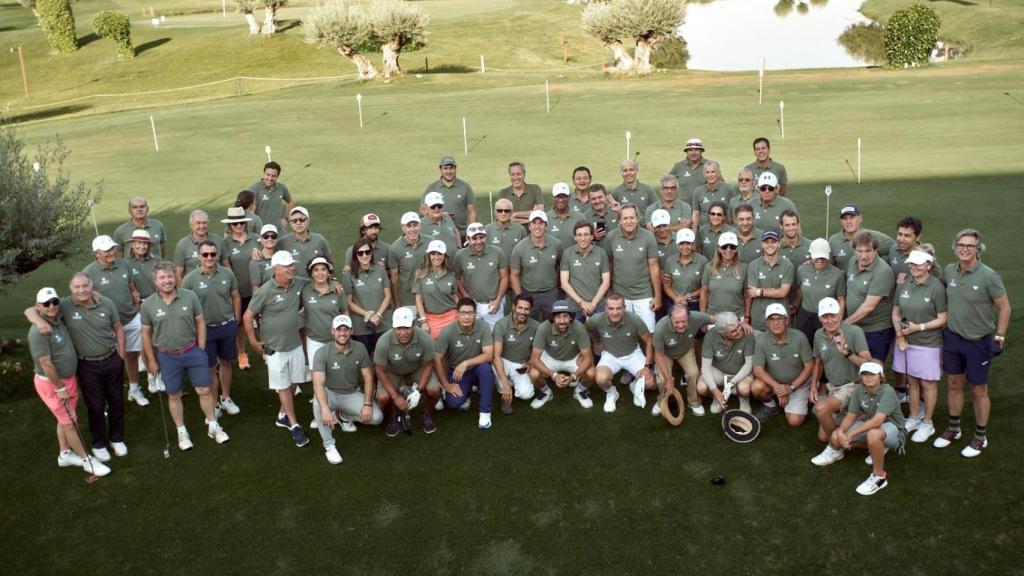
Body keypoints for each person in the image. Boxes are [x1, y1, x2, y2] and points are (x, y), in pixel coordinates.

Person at [25, 273, 128, 461]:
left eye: (85, 286)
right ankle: (99, 443)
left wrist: (120, 355)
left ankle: (116, 438)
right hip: (86, 364)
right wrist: (39, 321)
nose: (81, 290)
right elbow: (31, 310)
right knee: (95, 405)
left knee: (116, 401)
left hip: (111, 358)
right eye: (76, 287)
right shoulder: (63, 305)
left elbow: (118, 327)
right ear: (70, 289)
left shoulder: (105, 302)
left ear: (91, 286)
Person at [935, 229, 1011, 458]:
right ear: (955, 247)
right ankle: (954, 428)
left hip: (979, 342)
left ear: (978, 249)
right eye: (961, 245)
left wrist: (1000, 336)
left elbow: (1004, 307)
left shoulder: (989, 276)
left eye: (970, 245)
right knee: (954, 384)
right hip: (953, 338)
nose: (965, 249)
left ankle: (980, 436)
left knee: (979, 389)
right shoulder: (949, 270)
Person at [141, 261, 229, 450]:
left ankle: (213, 425)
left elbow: (200, 321)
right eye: (162, 277)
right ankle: (182, 431)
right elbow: (146, 333)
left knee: (204, 390)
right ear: (155, 281)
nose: (167, 281)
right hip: (167, 356)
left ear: (176, 278)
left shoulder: (189, 297)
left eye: (170, 276)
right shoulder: (148, 304)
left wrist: (202, 347)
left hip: (192, 351)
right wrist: (151, 360)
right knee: (174, 394)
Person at [28, 287, 111, 477]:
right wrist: (59, 388)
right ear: (38, 306)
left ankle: (65, 454)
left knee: (66, 419)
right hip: (53, 384)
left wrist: (94, 293)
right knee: (70, 423)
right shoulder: (38, 331)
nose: (52, 306)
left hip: (68, 380)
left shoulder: (57, 318)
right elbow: (46, 364)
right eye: (46, 304)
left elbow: (77, 295)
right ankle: (87, 461)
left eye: (54, 302)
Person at [243, 251, 311, 448]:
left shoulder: (299, 282)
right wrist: (254, 342)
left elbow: (318, 280)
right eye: (285, 266)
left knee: (294, 382)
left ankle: (283, 414)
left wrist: (335, 282)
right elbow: (248, 317)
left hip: (295, 344)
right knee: (283, 385)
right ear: (275, 270)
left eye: (291, 265)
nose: (290, 269)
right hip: (275, 348)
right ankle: (294, 424)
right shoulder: (264, 291)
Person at [815, 361, 906, 496]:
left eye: (872, 374)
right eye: (865, 374)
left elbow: (877, 421)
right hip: (873, 427)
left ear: (881, 376)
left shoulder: (888, 391)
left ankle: (879, 477)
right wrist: (840, 432)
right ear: (861, 376)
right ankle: (839, 451)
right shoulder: (859, 390)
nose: (868, 377)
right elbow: (851, 415)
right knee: (834, 436)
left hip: (894, 431)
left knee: (873, 434)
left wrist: (851, 434)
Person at [83, 235, 149, 408]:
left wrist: (136, 302)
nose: (111, 253)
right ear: (97, 253)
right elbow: (81, 298)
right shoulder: (88, 273)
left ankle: (134, 389)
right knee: (109, 363)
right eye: (106, 251)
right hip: (107, 325)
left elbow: (131, 286)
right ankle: (105, 399)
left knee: (133, 355)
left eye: (112, 249)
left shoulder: (124, 264)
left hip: (130, 317)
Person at [311, 314, 383, 465]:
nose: (342, 333)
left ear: (351, 331)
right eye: (339, 329)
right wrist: (325, 409)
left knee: (376, 418)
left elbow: (368, 378)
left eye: (346, 329)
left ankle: (342, 415)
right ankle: (329, 445)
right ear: (332, 331)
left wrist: (368, 404)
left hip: (351, 393)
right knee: (318, 404)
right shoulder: (322, 352)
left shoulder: (360, 348)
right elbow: (318, 383)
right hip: (330, 393)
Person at [181, 240, 242, 417]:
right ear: (199, 256)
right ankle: (214, 403)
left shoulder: (227, 274)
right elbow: (184, 303)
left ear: (217, 255)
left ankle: (226, 398)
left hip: (226, 326)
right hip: (204, 331)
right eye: (205, 254)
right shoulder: (190, 279)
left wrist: (236, 320)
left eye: (213, 254)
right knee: (209, 367)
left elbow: (235, 296)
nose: (209, 258)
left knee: (226, 363)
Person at [892, 250, 947, 443]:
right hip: (907, 341)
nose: (914, 267)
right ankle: (914, 418)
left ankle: (927, 423)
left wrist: (918, 327)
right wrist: (900, 335)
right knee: (911, 381)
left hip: (928, 343)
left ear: (929, 265)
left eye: (918, 264)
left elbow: (943, 318)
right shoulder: (905, 282)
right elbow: (896, 312)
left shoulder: (936, 287)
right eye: (911, 264)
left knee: (928, 383)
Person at [809, 297, 872, 458]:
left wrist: (846, 352)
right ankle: (851, 439)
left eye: (833, 316)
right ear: (820, 318)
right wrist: (813, 386)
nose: (830, 321)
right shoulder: (818, 335)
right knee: (822, 436)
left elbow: (867, 363)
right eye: (825, 317)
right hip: (834, 388)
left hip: (854, 385)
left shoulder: (854, 331)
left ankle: (835, 449)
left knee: (820, 409)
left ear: (840, 315)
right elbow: (818, 363)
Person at [374, 308, 441, 435]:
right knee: (382, 398)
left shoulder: (425, 337)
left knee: (435, 390)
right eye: (399, 328)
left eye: (406, 328)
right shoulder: (383, 341)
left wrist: (418, 391)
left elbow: (428, 365)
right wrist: (395, 397)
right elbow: (380, 370)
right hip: (392, 370)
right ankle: (393, 415)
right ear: (393, 327)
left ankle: (426, 413)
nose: (403, 332)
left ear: (413, 325)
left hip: (417, 367)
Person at [435, 298, 497, 429]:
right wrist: (446, 385)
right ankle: (467, 391)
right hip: (457, 373)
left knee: (486, 369)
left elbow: (488, 355)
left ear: (475, 314)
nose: (467, 317)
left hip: (476, 370)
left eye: (470, 313)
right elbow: (437, 358)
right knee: (453, 403)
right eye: (463, 313)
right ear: (457, 314)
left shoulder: (484, 327)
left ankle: (485, 412)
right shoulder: (447, 331)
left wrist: (466, 363)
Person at [589, 294, 655, 413]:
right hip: (610, 356)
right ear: (605, 308)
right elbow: (586, 332)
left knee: (650, 383)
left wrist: (648, 366)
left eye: (618, 308)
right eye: (611, 308)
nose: (615, 312)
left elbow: (649, 340)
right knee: (601, 378)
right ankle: (611, 393)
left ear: (624, 308)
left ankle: (635, 385)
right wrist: (596, 341)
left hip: (633, 354)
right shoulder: (596, 319)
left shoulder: (635, 319)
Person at [750, 304, 814, 425]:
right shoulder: (761, 340)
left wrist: (790, 388)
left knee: (794, 422)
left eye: (779, 318)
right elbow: (758, 370)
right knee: (756, 387)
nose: (776, 323)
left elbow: (809, 366)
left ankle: (795, 400)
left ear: (787, 320)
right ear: (767, 323)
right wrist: (778, 389)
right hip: (774, 384)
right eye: (771, 319)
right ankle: (771, 405)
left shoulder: (800, 337)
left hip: (797, 384)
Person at [529, 300, 596, 409]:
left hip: (573, 357)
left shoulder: (578, 327)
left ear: (571, 317)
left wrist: (573, 376)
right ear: (552, 318)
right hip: (550, 357)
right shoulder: (543, 327)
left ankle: (579, 391)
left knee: (591, 373)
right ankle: (546, 392)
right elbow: (535, 359)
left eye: (565, 316)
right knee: (534, 374)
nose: (562, 321)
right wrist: (554, 375)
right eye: (558, 317)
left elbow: (588, 358)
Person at [607, 204, 661, 332]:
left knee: (648, 333)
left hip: (644, 295)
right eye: (625, 218)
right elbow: (609, 265)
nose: (629, 221)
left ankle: (648, 353)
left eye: (632, 218)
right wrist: (609, 292)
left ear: (638, 219)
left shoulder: (648, 237)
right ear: (619, 220)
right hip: (620, 295)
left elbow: (654, 267)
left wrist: (657, 296)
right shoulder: (611, 237)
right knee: (622, 333)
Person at [300, 257, 347, 403]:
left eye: (323, 269)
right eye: (316, 270)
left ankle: (337, 405)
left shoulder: (337, 289)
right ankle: (319, 405)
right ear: (311, 273)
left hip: (336, 340)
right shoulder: (305, 290)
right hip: (314, 339)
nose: (320, 273)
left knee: (336, 372)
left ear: (329, 272)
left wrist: (344, 335)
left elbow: (344, 312)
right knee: (318, 374)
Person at [844, 231, 896, 362]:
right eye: (859, 251)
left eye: (868, 251)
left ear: (876, 250)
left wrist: (844, 324)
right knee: (855, 368)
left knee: (873, 369)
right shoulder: (852, 262)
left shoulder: (882, 271)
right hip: (856, 327)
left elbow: (869, 306)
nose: (863, 256)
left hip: (876, 331)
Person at [654, 304, 713, 415]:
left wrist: (737, 322)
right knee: (662, 380)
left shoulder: (696, 317)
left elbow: (714, 319)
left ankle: (693, 402)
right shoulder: (660, 328)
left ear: (689, 317)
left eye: (683, 321)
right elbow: (659, 354)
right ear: (670, 318)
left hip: (685, 350)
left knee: (693, 373)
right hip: (665, 354)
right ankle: (661, 402)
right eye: (676, 322)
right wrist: (668, 378)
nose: (680, 325)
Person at [696, 311, 754, 414]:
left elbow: (749, 364)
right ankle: (718, 394)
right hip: (719, 370)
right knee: (701, 388)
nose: (739, 331)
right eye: (733, 331)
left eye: (739, 326)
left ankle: (743, 398)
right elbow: (705, 367)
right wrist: (714, 390)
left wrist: (733, 382)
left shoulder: (747, 334)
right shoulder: (711, 336)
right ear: (723, 333)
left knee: (744, 389)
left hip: (741, 371)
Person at [343, 237, 392, 358]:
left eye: (367, 252)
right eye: (360, 253)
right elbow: (348, 302)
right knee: (365, 358)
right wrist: (368, 315)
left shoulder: (380, 270)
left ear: (371, 253)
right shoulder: (348, 274)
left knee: (382, 356)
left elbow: (388, 295)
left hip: (383, 322)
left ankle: (380, 377)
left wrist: (378, 315)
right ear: (355, 255)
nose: (364, 255)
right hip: (361, 325)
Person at [510, 210, 563, 320]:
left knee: (553, 325)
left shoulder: (556, 244)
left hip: (550, 294)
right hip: (528, 293)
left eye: (541, 223)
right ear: (529, 226)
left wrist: (558, 286)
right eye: (534, 223)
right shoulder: (520, 248)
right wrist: (520, 297)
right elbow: (514, 275)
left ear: (546, 226)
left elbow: (561, 267)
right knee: (527, 325)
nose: (537, 226)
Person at [223, 207, 259, 370]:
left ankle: (267, 351)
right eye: (235, 223)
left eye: (241, 222)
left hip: (259, 290)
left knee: (263, 321)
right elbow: (225, 266)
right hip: (239, 292)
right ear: (230, 226)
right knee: (240, 324)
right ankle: (242, 354)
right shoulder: (226, 243)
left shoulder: (257, 239)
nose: (238, 225)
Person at [492, 294, 541, 413]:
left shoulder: (536, 326)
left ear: (530, 310)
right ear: (513, 307)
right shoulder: (501, 325)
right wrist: (505, 382)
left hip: (521, 365)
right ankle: (505, 394)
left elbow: (538, 351)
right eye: (520, 308)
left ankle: (513, 383)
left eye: (526, 309)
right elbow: (496, 356)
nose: (523, 312)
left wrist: (530, 363)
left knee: (526, 394)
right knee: (498, 372)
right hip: (503, 361)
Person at [454, 222, 508, 327]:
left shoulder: (497, 252)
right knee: (473, 336)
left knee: (495, 336)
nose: (478, 241)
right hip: (473, 305)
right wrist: (466, 296)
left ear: (486, 237)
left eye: (481, 237)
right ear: (468, 239)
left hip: (493, 303)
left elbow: (504, 277)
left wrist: (498, 300)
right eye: (474, 238)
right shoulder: (460, 256)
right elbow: (457, 279)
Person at [794, 238, 846, 345]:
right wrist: (795, 305)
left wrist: (838, 320)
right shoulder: (802, 269)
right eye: (817, 257)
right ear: (811, 255)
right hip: (805, 315)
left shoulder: (838, 274)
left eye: (823, 257)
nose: (820, 260)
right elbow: (800, 289)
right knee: (802, 344)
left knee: (824, 346)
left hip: (827, 317)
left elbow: (841, 299)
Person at [745, 230, 795, 333]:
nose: (770, 245)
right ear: (762, 244)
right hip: (759, 320)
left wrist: (760, 291)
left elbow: (783, 292)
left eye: (773, 242)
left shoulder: (787, 265)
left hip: (781, 320)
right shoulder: (753, 265)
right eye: (766, 242)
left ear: (779, 243)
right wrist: (775, 290)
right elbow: (752, 292)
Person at [560, 221, 611, 320]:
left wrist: (593, 304)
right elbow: (564, 283)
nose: (582, 238)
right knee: (575, 335)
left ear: (592, 236)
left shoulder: (601, 253)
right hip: (574, 306)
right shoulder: (567, 254)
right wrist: (582, 303)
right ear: (575, 237)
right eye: (579, 235)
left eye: (586, 234)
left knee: (599, 335)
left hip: (598, 305)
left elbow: (606, 282)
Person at [414, 240, 459, 339]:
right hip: (431, 319)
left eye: (439, 254)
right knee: (436, 352)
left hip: (452, 317)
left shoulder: (451, 274)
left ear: (444, 255)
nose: (436, 257)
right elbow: (418, 300)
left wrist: (460, 312)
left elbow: (454, 296)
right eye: (433, 254)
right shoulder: (420, 274)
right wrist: (423, 321)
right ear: (428, 255)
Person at [421, 155, 476, 237]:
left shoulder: (465, 187)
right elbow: (423, 210)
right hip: (438, 233)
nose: (449, 171)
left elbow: (472, 212)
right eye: (445, 168)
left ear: (455, 169)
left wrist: (472, 232)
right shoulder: (431, 188)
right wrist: (440, 216)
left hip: (462, 233)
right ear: (440, 169)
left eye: (451, 168)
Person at [829, 205, 896, 271]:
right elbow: (829, 267)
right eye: (845, 218)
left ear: (860, 219)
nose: (848, 221)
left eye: (852, 217)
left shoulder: (873, 236)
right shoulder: (833, 241)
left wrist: (889, 266)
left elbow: (896, 248)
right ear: (841, 221)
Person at [701, 232, 747, 323]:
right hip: (713, 318)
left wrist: (747, 316)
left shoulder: (744, 267)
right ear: (719, 249)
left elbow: (747, 295)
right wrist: (703, 317)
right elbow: (704, 292)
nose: (728, 250)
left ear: (736, 249)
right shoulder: (709, 267)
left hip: (737, 317)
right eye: (724, 247)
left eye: (732, 247)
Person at [388, 212, 429, 315]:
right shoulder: (395, 249)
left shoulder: (430, 242)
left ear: (419, 225)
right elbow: (394, 279)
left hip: (429, 296)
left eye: (415, 225)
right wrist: (397, 304)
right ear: (403, 227)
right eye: (409, 226)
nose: (412, 229)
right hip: (408, 299)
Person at [173, 210, 228, 284]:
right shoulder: (182, 245)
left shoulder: (218, 240)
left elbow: (226, 265)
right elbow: (178, 274)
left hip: (218, 285)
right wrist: (183, 293)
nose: (202, 226)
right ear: (191, 225)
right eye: (198, 223)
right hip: (194, 289)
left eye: (204, 223)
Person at [277, 206, 333, 277]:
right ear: (290, 224)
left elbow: (330, 263)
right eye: (294, 221)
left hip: (316, 285)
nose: (298, 223)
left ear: (308, 221)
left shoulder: (320, 239)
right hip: (294, 286)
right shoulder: (282, 242)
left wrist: (332, 279)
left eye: (302, 220)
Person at [663, 228, 707, 313]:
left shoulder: (702, 261)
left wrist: (687, 297)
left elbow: (705, 287)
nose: (685, 247)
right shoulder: (670, 261)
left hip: (694, 304)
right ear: (677, 245)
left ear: (693, 244)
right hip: (673, 303)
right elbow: (666, 285)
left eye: (688, 243)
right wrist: (676, 298)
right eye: (681, 243)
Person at [889, 216, 940, 284]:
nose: (901, 239)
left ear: (918, 237)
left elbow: (938, 277)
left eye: (907, 236)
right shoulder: (893, 249)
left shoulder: (924, 254)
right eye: (900, 234)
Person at [249, 161, 294, 232]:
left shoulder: (281, 188)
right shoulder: (254, 188)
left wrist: (286, 219)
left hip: (278, 230)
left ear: (277, 176)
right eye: (268, 174)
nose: (270, 178)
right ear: (263, 174)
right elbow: (251, 211)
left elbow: (290, 201)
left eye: (273, 176)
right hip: (260, 231)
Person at [691, 160, 734, 230]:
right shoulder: (698, 191)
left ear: (718, 173)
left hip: (725, 231)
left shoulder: (728, 189)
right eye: (707, 172)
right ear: (704, 174)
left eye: (713, 172)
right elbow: (696, 214)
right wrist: (694, 232)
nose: (710, 175)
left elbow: (733, 212)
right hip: (704, 232)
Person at [421, 191, 461, 258]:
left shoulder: (447, 217)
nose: (436, 208)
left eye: (439, 206)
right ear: (426, 207)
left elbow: (455, 231)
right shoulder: (420, 225)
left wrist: (459, 248)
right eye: (433, 206)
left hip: (455, 263)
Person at [546, 183, 586, 248]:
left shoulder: (580, 218)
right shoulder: (545, 218)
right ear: (553, 197)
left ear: (569, 197)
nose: (561, 200)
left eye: (563, 196)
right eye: (558, 196)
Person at [249, 224, 279, 291]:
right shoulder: (255, 261)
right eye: (266, 236)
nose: (270, 239)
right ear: (261, 239)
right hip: (267, 299)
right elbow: (256, 289)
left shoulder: (281, 256)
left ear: (277, 239)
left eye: (273, 236)